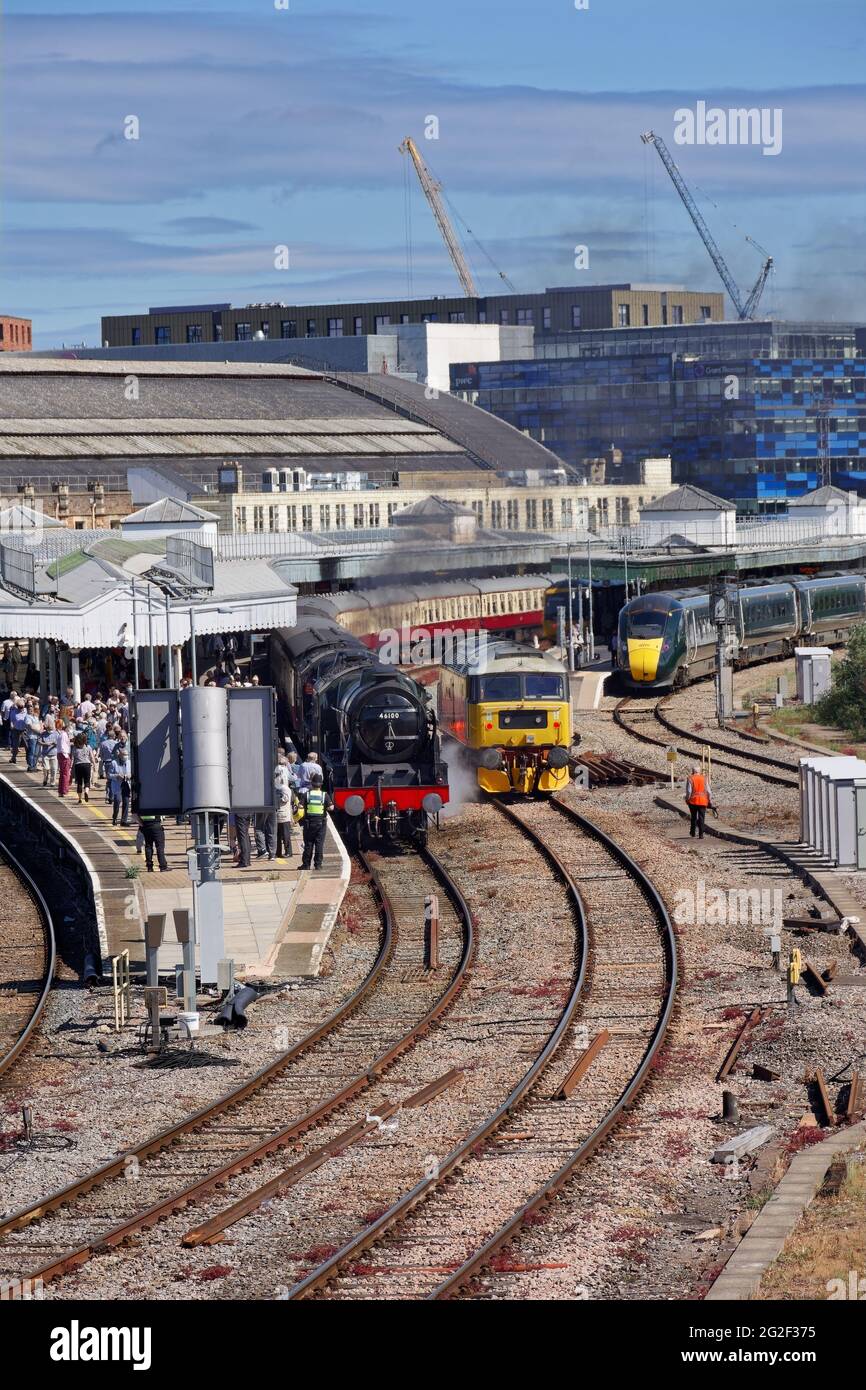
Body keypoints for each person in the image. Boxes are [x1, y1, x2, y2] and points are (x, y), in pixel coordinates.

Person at [299, 771, 333, 871]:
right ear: (320, 784)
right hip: (321, 823)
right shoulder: (324, 795)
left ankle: (306, 865)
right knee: (319, 844)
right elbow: (331, 807)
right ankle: (318, 865)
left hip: (309, 823)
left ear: (312, 784)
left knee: (308, 844)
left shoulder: (307, 794)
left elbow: (300, 806)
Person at [107, 737, 132, 827]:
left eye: (127, 755)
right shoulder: (114, 763)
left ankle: (123, 820)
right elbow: (109, 775)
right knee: (117, 800)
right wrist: (117, 776)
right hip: (118, 785)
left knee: (126, 802)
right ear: (120, 755)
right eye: (124, 755)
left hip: (126, 784)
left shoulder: (129, 762)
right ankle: (115, 817)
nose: (126, 756)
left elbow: (132, 773)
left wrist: (129, 776)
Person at [685, 764, 712, 839]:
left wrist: (687, 799)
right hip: (703, 801)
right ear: (699, 772)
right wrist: (709, 800)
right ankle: (701, 834)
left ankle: (693, 832)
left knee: (693, 817)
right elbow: (709, 791)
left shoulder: (690, 778)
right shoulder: (704, 778)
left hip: (693, 801)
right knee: (702, 817)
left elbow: (689, 791)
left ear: (693, 771)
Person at [72, 731, 94, 803]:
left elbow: (73, 758)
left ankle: (80, 799)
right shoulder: (88, 747)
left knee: (79, 782)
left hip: (78, 765)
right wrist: (93, 764)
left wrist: (71, 767)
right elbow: (91, 757)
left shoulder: (75, 748)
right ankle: (86, 792)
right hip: (87, 765)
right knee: (87, 781)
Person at [275, 786, 295, 858]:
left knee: (285, 835)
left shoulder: (285, 789)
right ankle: (278, 852)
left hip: (284, 816)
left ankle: (288, 852)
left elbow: (285, 799)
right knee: (277, 835)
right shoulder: (278, 788)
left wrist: (275, 798)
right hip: (278, 815)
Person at [39, 718, 59, 788]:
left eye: (51, 728)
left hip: (54, 754)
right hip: (45, 754)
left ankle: (52, 782)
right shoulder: (43, 734)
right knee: (46, 768)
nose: (50, 730)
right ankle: (45, 778)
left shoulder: (56, 734)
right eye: (48, 728)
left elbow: (58, 742)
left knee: (54, 769)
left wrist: (55, 743)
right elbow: (39, 742)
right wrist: (45, 744)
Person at [56, 721, 72, 797]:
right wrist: (66, 755)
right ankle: (64, 790)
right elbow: (63, 746)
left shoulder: (61, 734)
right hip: (64, 755)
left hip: (61, 754)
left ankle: (61, 790)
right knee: (66, 774)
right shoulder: (64, 735)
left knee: (63, 774)